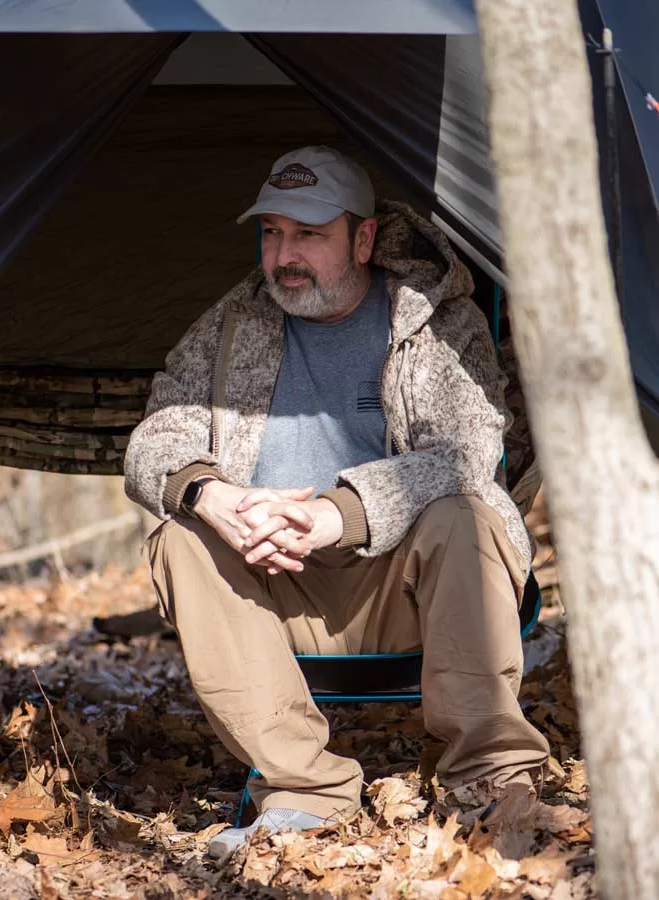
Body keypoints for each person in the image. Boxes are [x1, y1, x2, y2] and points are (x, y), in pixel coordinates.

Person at [123, 146, 549, 859]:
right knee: (180, 536)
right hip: (273, 588)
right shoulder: (236, 322)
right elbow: (157, 431)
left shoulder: (436, 321)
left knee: (465, 513)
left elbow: (467, 453)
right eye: (271, 233)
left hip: (403, 586)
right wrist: (214, 495)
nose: (283, 254)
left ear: (364, 238)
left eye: (309, 234)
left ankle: (490, 782)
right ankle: (302, 792)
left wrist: (338, 513)